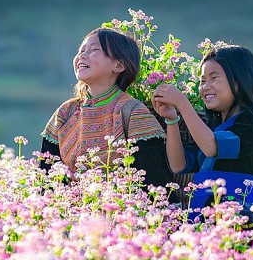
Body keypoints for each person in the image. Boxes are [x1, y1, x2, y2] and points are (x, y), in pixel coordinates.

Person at [151, 45, 253, 225]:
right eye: (202, 80)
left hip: (236, 220)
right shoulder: (213, 128)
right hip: (201, 219)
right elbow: (179, 165)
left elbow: (212, 147)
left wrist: (182, 102)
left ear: (240, 80)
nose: (205, 87)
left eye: (214, 78)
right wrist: (172, 120)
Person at [40, 27, 174, 190]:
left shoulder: (133, 112)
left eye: (94, 50)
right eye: (81, 50)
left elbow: (153, 181)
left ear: (118, 65)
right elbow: (46, 180)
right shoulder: (65, 112)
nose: (82, 55)